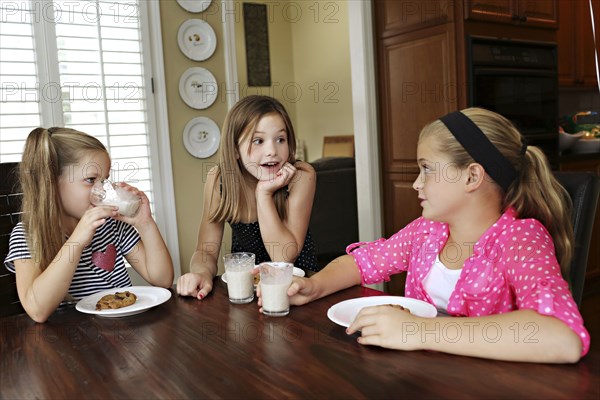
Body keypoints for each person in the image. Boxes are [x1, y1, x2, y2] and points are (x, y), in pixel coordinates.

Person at [268, 108, 590, 363]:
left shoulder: (520, 239)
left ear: (472, 176)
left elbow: (563, 337)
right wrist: (314, 286)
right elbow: (362, 263)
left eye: (427, 168)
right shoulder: (428, 231)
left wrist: (419, 331)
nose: (416, 183)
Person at [4, 127, 174, 323]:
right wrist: (76, 241)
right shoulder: (28, 236)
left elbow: (162, 279)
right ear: (51, 183)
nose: (102, 190)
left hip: (121, 334)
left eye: (104, 180)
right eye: (91, 180)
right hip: (68, 342)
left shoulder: (112, 225)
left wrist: (145, 223)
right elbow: (37, 310)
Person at [177, 95, 317, 300]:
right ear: (235, 149)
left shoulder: (301, 176)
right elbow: (205, 250)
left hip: (297, 291)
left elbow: (283, 256)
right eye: (258, 141)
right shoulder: (219, 180)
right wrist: (202, 274)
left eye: (280, 139)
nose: (272, 151)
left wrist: (264, 193)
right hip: (244, 291)